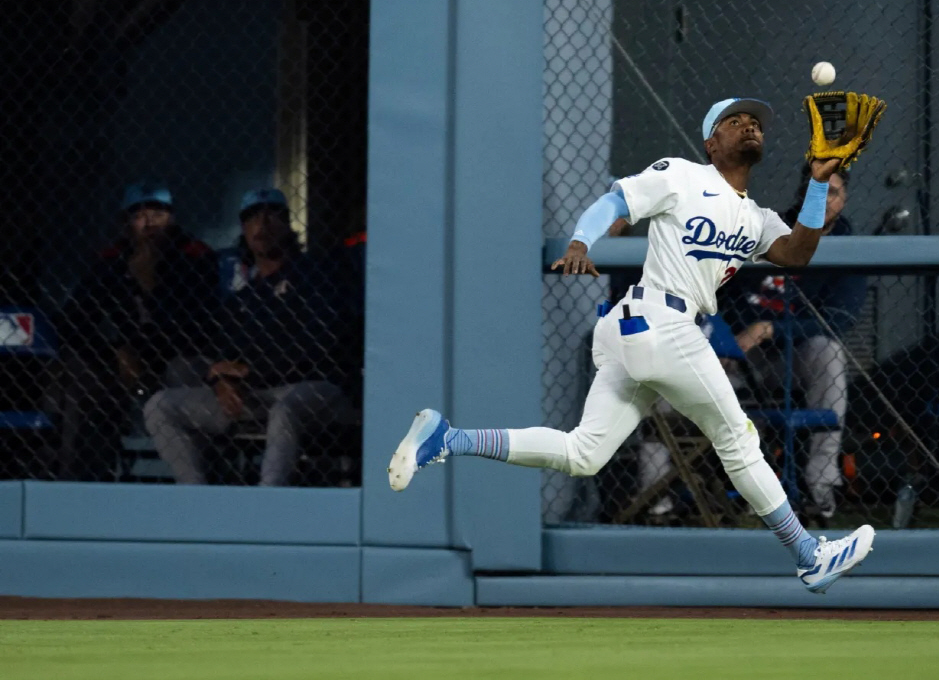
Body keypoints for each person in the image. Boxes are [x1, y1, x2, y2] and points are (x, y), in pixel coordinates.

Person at [389, 94, 886, 592]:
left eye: (755, 122)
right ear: (712, 143)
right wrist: (582, 242)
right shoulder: (683, 174)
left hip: (641, 331)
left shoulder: (755, 217)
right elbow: (615, 202)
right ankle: (807, 554)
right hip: (658, 320)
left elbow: (796, 253)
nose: (749, 126)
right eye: (735, 121)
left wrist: (819, 183)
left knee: (583, 454)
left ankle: (447, 439)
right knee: (737, 437)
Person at [143, 189, 351, 486]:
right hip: (254, 393)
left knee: (284, 410)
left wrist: (247, 372)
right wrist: (219, 378)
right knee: (159, 405)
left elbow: (315, 347)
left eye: (272, 215)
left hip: (314, 390)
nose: (262, 224)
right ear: (243, 228)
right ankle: (196, 498)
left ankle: (267, 502)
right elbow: (223, 350)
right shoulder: (245, 295)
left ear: (287, 224)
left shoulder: (314, 276)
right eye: (253, 217)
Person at [725, 167, 867, 524]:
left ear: (844, 199)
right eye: (814, 191)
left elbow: (837, 321)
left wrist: (771, 328)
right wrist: (735, 336)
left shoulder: (850, 249)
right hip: (742, 353)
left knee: (829, 351)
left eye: (832, 193)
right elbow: (724, 293)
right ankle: (673, 496)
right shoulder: (765, 230)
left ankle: (820, 487)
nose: (822, 201)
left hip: (796, 357)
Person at [54, 183, 217, 481]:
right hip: (124, 357)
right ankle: (82, 478)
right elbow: (73, 321)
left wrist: (150, 287)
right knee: (81, 374)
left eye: (157, 212)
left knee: (183, 371)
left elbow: (197, 328)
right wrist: (115, 346)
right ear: (127, 222)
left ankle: (195, 475)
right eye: (138, 215)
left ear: (172, 217)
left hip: (178, 352)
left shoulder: (196, 257)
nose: (148, 222)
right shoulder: (111, 259)